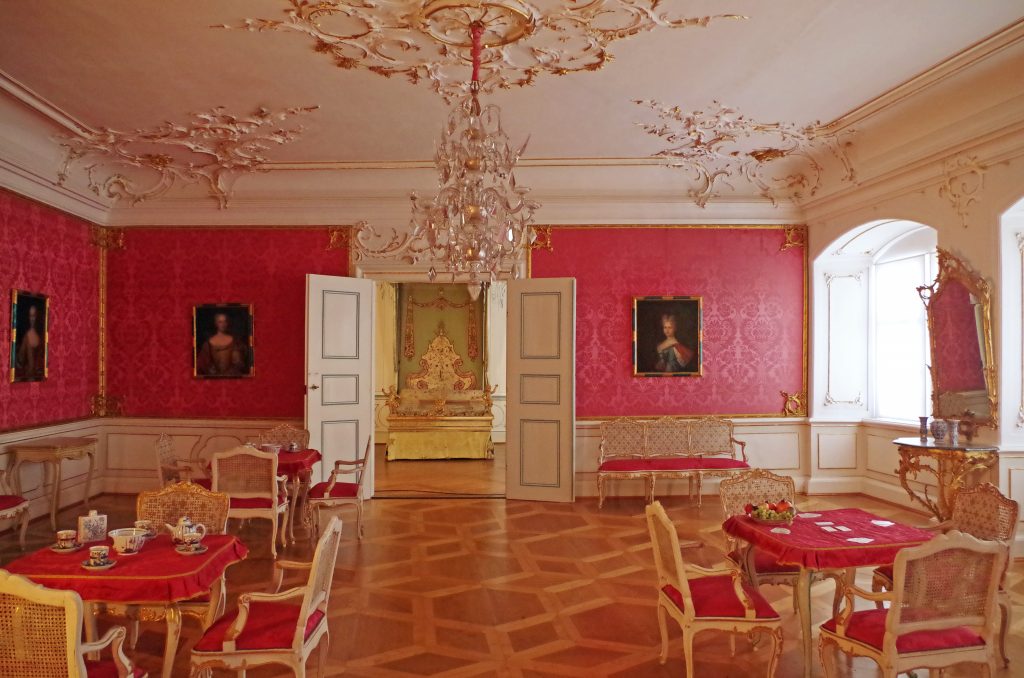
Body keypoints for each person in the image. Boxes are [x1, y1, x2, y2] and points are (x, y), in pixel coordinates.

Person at [196, 312, 248, 376]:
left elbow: (241, 362)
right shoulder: (208, 343)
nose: (223, 324)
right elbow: (202, 363)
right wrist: (209, 369)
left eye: (225, 321)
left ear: (227, 323)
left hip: (232, 376)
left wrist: (238, 360)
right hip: (214, 377)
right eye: (220, 322)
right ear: (216, 323)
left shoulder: (235, 341)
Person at [15, 303, 45, 380]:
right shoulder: (28, 335)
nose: (32, 319)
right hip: (30, 375)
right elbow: (20, 360)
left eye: (34, 315)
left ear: (37, 316)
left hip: (37, 375)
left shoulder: (43, 335)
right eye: (30, 316)